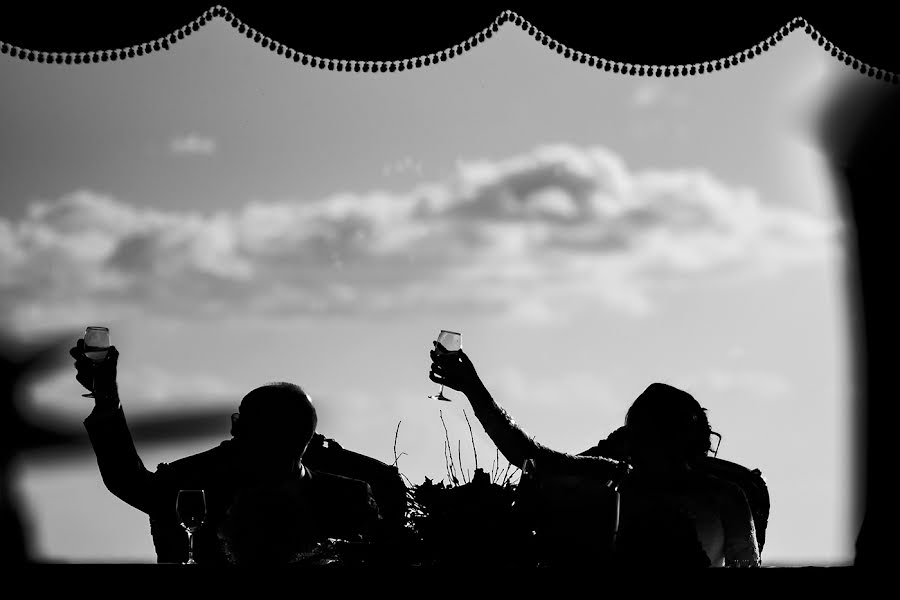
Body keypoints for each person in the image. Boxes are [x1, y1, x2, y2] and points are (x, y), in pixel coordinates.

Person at [429, 343, 760, 567]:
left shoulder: (724, 496)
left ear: (678, 438)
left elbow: (745, 567)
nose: (636, 444)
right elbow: (528, 454)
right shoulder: (614, 476)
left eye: (647, 433)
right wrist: (472, 387)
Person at [73, 338, 383, 564]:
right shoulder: (190, 482)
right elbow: (127, 480)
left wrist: (106, 398)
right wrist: (105, 401)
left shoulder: (348, 498)